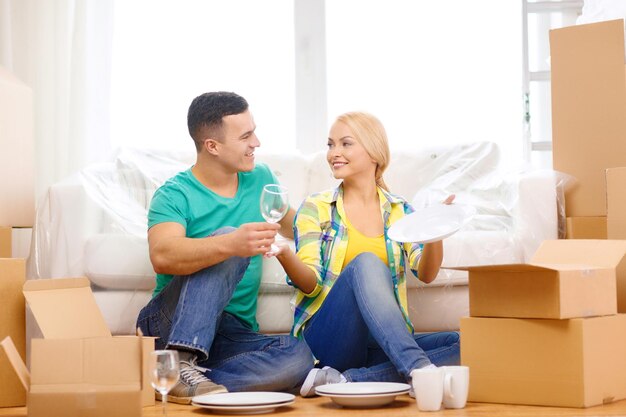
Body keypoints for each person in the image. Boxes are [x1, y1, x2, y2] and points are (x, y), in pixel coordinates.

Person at [136, 91, 313, 404]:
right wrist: (231, 243)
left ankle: (178, 377)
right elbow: (162, 255)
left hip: (230, 331)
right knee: (229, 238)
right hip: (169, 323)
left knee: (298, 357)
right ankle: (180, 357)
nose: (256, 142)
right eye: (246, 136)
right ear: (212, 146)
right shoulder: (174, 194)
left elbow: (299, 227)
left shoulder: (261, 179)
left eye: (254, 131)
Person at [272, 111, 461, 397]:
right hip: (329, 339)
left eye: (345, 144)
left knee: (463, 344)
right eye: (331, 144)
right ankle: (417, 369)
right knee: (367, 265)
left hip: (381, 343)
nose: (334, 153)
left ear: (374, 152)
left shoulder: (399, 210)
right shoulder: (317, 207)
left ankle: (346, 381)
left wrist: (435, 230)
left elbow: (426, 273)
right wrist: (284, 254)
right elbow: (309, 284)